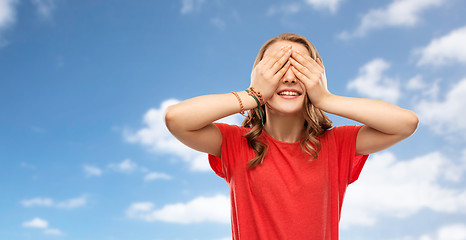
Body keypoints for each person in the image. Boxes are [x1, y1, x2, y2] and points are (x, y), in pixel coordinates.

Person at [165, 33, 418, 240]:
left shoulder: (337, 145)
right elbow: (177, 119)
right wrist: (253, 95)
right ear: (259, 76)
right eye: (277, 68)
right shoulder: (235, 143)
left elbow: (405, 123)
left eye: (300, 68)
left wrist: (326, 98)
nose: (288, 77)